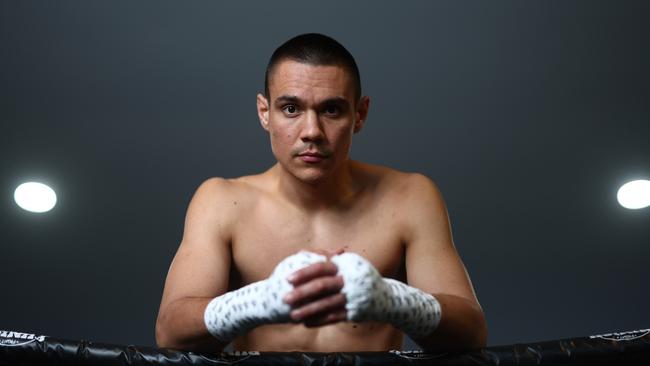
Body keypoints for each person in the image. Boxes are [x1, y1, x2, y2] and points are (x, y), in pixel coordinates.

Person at [155, 33, 487, 353]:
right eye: (290, 109)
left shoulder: (410, 197)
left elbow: (472, 333)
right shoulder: (222, 202)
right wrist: (259, 301)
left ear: (360, 114)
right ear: (264, 112)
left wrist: (392, 300)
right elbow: (170, 333)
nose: (312, 132)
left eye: (331, 110)